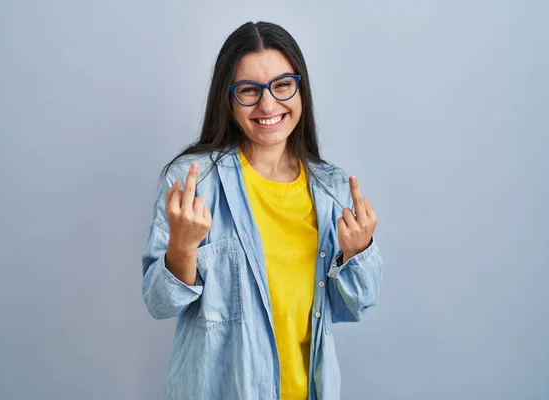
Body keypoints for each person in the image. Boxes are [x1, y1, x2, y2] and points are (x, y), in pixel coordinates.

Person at [141, 21, 383, 400]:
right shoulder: (195, 181)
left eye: (282, 85)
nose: (268, 105)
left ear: (299, 89)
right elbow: (159, 303)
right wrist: (183, 246)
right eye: (249, 91)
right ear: (228, 98)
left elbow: (350, 307)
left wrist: (358, 251)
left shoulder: (331, 188)